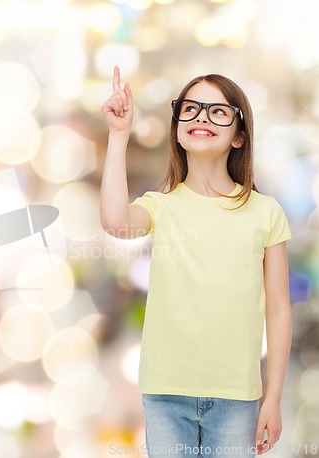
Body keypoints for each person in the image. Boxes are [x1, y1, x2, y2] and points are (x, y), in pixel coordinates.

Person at [100, 66, 292, 457]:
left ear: (239, 136)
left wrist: (272, 398)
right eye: (190, 109)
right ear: (177, 127)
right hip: (166, 392)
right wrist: (119, 136)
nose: (201, 117)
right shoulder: (161, 206)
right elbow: (115, 222)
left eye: (218, 111)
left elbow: (278, 309)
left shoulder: (266, 212)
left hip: (237, 396)